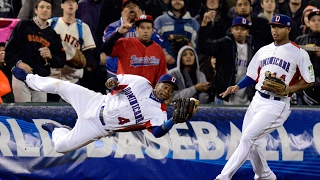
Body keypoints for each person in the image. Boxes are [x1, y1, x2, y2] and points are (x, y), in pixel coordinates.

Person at [214, 14, 315, 180]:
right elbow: (252, 75)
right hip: (257, 100)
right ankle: (265, 175)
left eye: (279, 27)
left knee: (247, 139)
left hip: (277, 104)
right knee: (254, 142)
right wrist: (237, 86)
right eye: (272, 26)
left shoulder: (299, 53)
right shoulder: (263, 50)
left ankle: (223, 176)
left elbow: (309, 81)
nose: (275, 30)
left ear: (288, 29)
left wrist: (290, 88)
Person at [11, 65, 199, 153]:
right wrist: (112, 82)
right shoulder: (141, 82)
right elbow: (115, 83)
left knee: (61, 146)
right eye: (165, 86)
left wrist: (173, 120)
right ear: (158, 84)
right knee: (61, 86)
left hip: (99, 128)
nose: (167, 91)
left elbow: (157, 132)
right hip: (94, 102)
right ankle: (28, 78)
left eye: (171, 90)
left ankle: (59, 130)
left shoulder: (159, 112)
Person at [5, 0, 66, 102]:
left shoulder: (52, 34)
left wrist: (51, 56)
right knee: (23, 113)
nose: (44, 10)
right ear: (36, 10)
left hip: (40, 80)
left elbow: (62, 61)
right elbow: (10, 50)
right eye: (41, 7)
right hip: (21, 76)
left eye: (48, 8)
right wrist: (19, 63)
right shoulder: (23, 25)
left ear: (51, 12)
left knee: (38, 115)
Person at [101, 0, 163, 89]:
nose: (131, 7)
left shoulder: (147, 27)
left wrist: (142, 22)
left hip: (140, 69)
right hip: (115, 71)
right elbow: (106, 45)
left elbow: (158, 43)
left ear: (140, 11)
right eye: (127, 6)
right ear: (122, 12)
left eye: (134, 5)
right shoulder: (113, 26)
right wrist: (120, 30)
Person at [197, 16, 259, 105]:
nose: (239, 32)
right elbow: (203, 47)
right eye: (236, 28)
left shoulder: (254, 47)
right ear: (232, 30)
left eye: (243, 29)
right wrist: (204, 27)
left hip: (246, 97)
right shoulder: (224, 44)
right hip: (224, 97)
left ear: (247, 31)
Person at [48, 0, 96, 102]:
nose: (70, 4)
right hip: (51, 79)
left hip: (73, 80)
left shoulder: (83, 27)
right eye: (67, 2)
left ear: (77, 6)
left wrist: (83, 62)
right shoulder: (51, 23)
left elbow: (89, 53)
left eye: (73, 2)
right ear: (61, 5)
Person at [154, 0, 200, 70]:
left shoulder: (193, 23)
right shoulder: (160, 21)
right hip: (165, 67)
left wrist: (188, 55)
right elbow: (154, 41)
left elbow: (197, 43)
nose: (177, 1)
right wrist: (164, 55)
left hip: (187, 69)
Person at [295, 8, 320, 105]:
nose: (316, 23)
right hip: (303, 88)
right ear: (308, 23)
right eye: (313, 20)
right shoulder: (300, 40)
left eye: (319, 20)